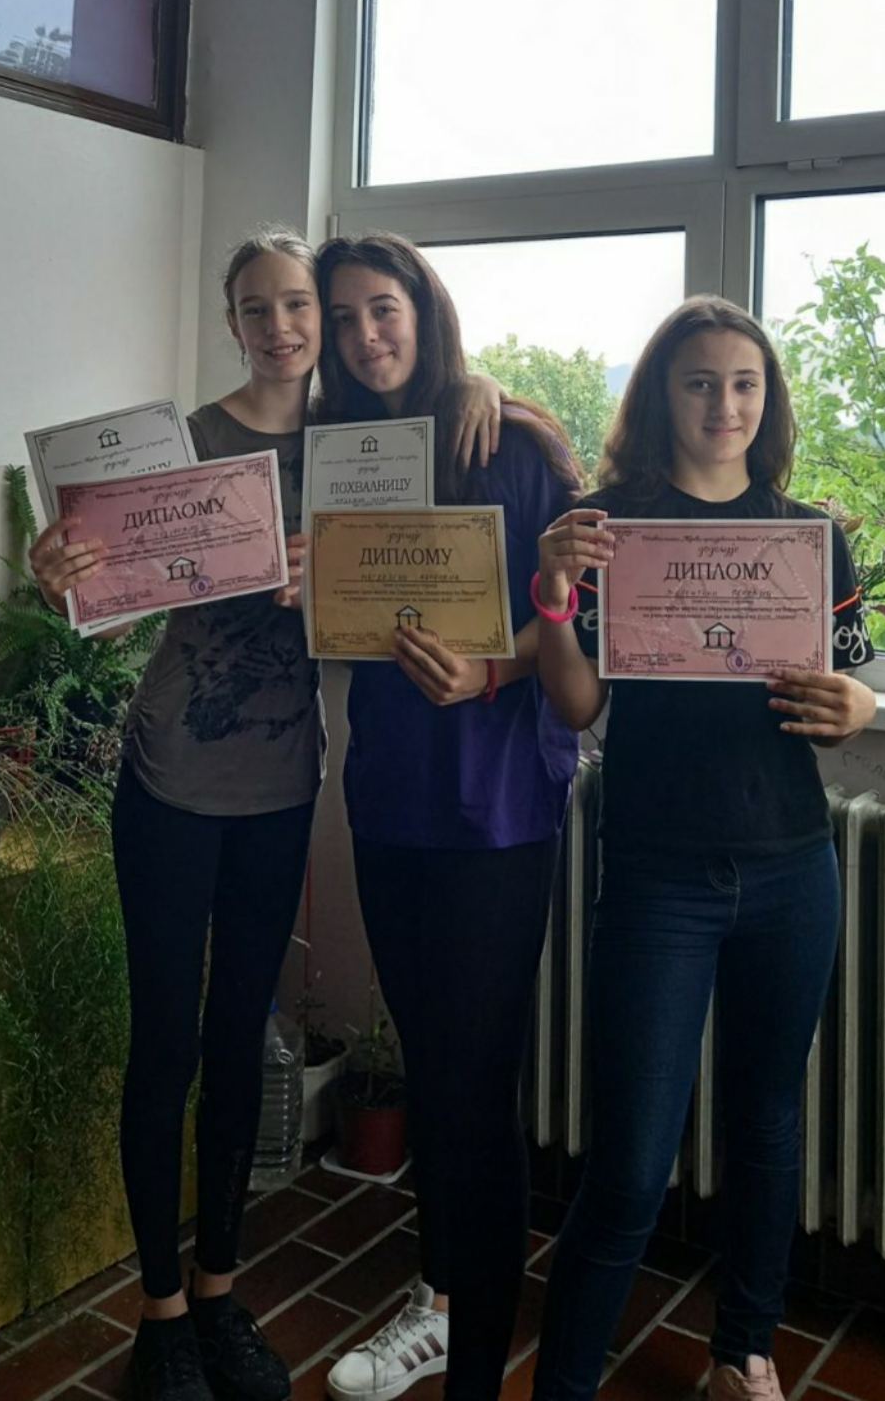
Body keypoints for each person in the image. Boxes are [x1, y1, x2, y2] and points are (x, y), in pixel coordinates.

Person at [29, 227, 501, 1401]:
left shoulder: (363, 444)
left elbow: (425, 534)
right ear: (232, 321)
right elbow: (106, 586)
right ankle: (160, 1312)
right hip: (169, 778)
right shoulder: (182, 444)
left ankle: (221, 1291)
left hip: (285, 785)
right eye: (259, 307)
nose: (285, 327)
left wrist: (485, 387)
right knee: (166, 1044)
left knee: (242, 1039)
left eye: (302, 305)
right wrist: (63, 568)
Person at [528, 295, 878, 1401]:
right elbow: (579, 706)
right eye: (699, 382)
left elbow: (850, 682)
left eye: (744, 383)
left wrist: (859, 708)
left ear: (767, 399)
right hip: (657, 874)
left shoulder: (812, 536)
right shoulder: (604, 529)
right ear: (660, 396)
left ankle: (745, 1353)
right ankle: (565, 1381)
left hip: (791, 864)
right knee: (632, 1164)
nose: (724, 404)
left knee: (768, 1127)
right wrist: (550, 596)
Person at [310, 233, 582, 1401]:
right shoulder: (340, 456)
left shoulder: (508, 441)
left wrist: (491, 671)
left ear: (426, 312)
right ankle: (439, 1299)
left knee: (478, 1089)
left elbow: (582, 603)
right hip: (391, 801)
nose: (365, 335)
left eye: (385, 309)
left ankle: (477, 1364)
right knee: (433, 1070)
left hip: (498, 810)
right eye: (343, 319)